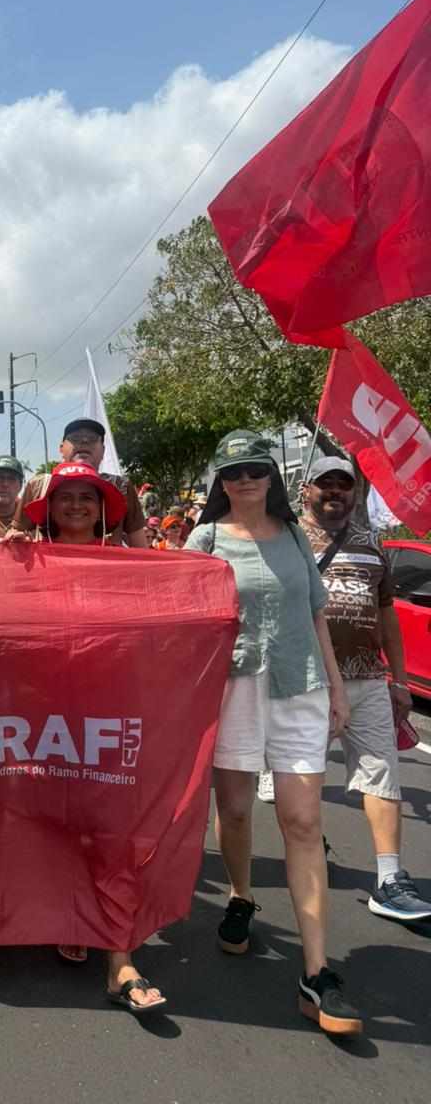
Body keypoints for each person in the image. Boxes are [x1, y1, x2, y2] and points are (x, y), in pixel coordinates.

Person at [185, 430, 362, 1036]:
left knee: (303, 822)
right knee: (235, 810)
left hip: (300, 685)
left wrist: (337, 689)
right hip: (232, 690)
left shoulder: (293, 535)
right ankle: (241, 896)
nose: (246, 480)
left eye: (256, 469)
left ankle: (317, 971)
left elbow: (316, 613)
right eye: (233, 472)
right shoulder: (205, 540)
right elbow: (181, 617)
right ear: (221, 481)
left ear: (271, 477)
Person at [8, 463, 165, 1012]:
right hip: (40, 712)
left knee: (111, 825)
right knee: (53, 819)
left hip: (109, 709)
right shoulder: (24, 560)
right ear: (48, 508)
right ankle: (69, 915)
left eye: (87, 498)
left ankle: (120, 957)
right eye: (65, 496)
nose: (76, 505)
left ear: (103, 510)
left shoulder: (127, 564)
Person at [299, 457, 431, 922]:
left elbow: (386, 611)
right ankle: (306, 844)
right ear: (306, 489)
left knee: (382, 775)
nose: (335, 490)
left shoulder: (372, 544)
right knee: (301, 781)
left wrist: (400, 680)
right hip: (306, 684)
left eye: (344, 484)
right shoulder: (289, 540)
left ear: (354, 493)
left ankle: (390, 879)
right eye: (325, 483)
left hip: (369, 679)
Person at [11, 419, 148, 547]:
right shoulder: (38, 485)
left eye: (93, 438)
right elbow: (14, 538)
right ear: (61, 449)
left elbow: (140, 549)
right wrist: (20, 546)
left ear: (103, 451)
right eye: (75, 438)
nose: (84, 441)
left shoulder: (121, 486)